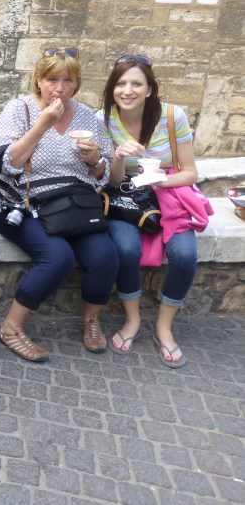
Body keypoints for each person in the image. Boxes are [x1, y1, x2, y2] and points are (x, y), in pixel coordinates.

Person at [0, 47, 118, 362]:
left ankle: (91, 320)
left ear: (76, 84)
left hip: (72, 206)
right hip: (19, 203)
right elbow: (5, 165)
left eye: (68, 80)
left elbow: (104, 174)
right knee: (58, 256)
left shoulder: (87, 116)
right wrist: (43, 124)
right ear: (38, 80)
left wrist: (95, 159)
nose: (59, 88)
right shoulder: (19, 110)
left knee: (105, 255)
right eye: (52, 79)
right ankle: (11, 327)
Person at [99, 54, 200, 368]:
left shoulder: (173, 116)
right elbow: (111, 181)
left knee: (184, 255)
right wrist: (117, 156)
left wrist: (159, 179)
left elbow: (191, 172)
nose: (127, 90)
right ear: (112, 88)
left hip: (168, 194)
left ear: (150, 89)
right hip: (124, 197)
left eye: (136, 83)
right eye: (121, 83)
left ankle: (164, 327)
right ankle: (132, 320)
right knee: (125, 250)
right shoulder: (103, 119)